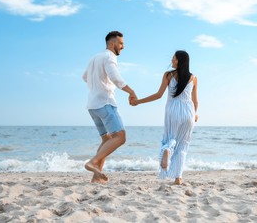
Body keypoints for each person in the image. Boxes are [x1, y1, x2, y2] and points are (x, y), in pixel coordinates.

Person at [130, 50, 198, 185]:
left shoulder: (168, 75)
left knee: (170, 139)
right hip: (188, 113)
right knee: (183, 144)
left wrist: (137, 102)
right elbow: (195, 101)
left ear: (180, 61)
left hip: (173, 111)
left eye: (174, 59)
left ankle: (167, 149)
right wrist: (195, 114)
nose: (172, 61)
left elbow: (158, 95)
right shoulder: (194, 78)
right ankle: (178, 178)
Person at [82, 31, 137, 184]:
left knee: (106, 140)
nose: (123, 47)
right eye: (121, 44)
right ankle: (92, 163)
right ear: (112, 44)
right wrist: (131, 91)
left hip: (92, 105)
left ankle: (96, 176)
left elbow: (85, 77)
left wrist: (97, 86)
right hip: (105, 103)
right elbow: (115, 78)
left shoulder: (95, 57)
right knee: (120, 137)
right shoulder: (109, 57)